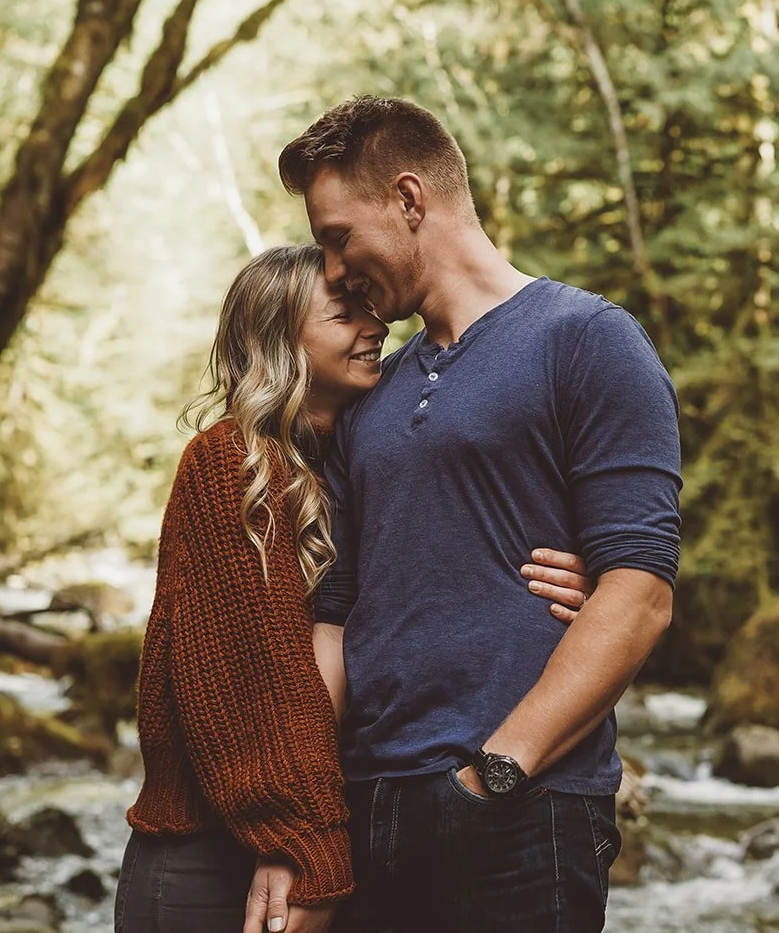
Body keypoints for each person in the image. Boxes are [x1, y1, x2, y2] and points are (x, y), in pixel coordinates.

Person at [268, 96, 682, 933]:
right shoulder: (368, 396)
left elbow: (638, 593)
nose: (335, 269)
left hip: (519, 814)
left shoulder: (588, 339)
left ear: (410, 199)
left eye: (339, 235)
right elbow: (336, 619)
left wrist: (498, 770)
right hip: (366, 810)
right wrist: (306, 816)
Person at [114, 245, 594, 933]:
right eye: (344, 315)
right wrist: (303, 842)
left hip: (314, 834)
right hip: (218, 854)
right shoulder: (232, 465)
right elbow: (248, 687)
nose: (375, 326)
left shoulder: (349, 465)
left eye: (369, 309)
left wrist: (567, 577)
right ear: (282, 343)